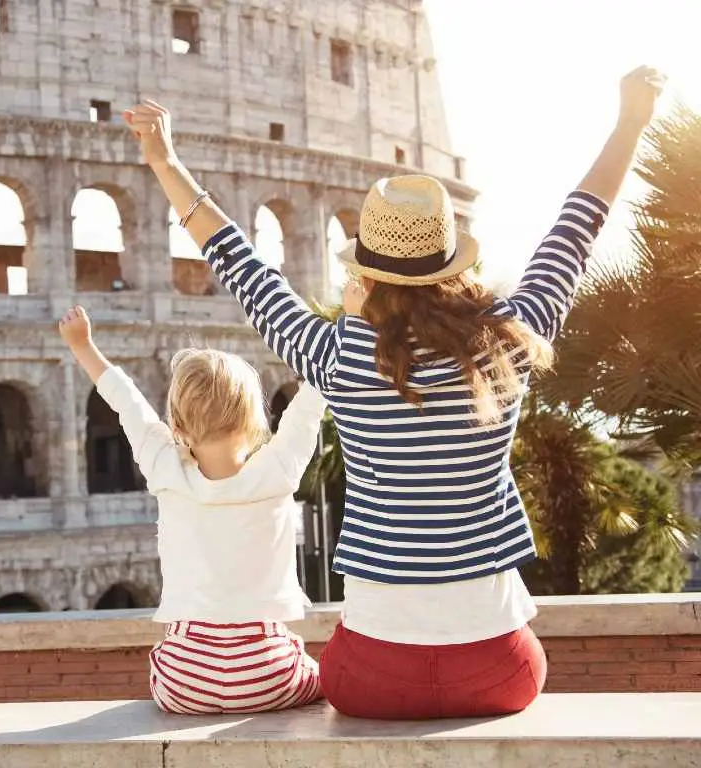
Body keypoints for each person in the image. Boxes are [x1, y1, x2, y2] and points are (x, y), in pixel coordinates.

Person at [123, 65, 665, 720]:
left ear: (369, 273)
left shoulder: (336, 357)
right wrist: (631, 121)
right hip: (501, 671)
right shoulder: (507, 344)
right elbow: (575, 229)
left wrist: (165, 160)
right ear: (449, 263)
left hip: (373, 679)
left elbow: (239, 263)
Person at [58, 306, 325, 715]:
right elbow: (309, 405)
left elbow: (126, 401)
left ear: (177, 425)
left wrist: (83, 345)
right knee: (323, 672)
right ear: (254, 420)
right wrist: (356, 322)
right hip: (266, 672)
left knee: (166, 668)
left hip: (184, 679)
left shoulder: (164, 467)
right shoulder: (277, 471)